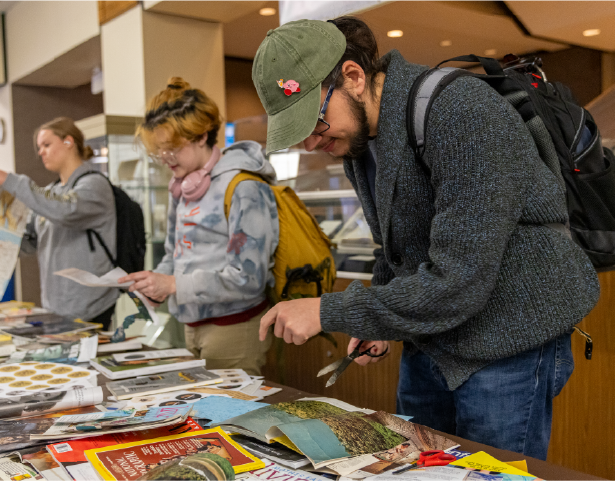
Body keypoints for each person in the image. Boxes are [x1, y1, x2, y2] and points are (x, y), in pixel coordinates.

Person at [252, 17, 599, 459]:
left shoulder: (462, 111)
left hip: (505, 341)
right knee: (416, 468)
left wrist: (330, 310)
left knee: (490, 471)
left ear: (353, 77)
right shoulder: (361, 142)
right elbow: (395, 250)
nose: (311, 143)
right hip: (432, 340)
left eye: (315, 123)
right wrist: (374, 320)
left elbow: (460, 278)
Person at [118, 78, 278, 376]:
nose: (165, 159)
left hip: (233, 327)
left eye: (172, 149)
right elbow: (173, 253)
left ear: (202, 136)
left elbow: (249, 277)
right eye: (159, 151)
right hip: (190, 325)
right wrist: (155, 282)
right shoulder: (181, 186)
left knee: (232, 418)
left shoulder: (243, 187)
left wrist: (174, 285)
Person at [0, 117, 119, 328]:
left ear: (69, 142)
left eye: (46, 145)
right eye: (39, 147)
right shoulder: (51, 192)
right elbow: (31, 241)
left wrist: (11, 181)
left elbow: (64, 210)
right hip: (56, 308)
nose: (41, 152)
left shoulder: (94, 185)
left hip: (90, 308)